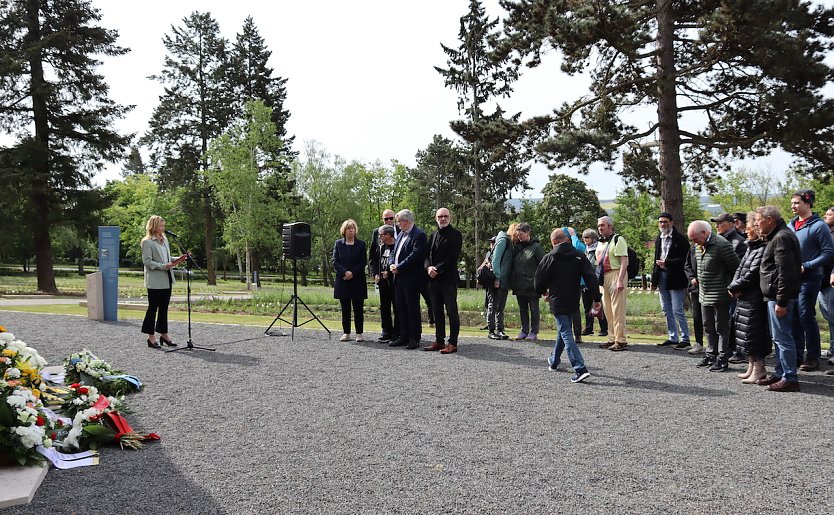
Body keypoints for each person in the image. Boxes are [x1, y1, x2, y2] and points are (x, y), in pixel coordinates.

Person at [534, 228, 602, 383]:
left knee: (566, 333)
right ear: (567, 240)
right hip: (573, 298)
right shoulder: (579, 255)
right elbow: (591, 278)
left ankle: (580, 368)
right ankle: (554, 360)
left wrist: (544, 292)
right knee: (563, 331)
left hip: (557, 300)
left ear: (554, 242)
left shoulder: (549, 257)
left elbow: (538, 281)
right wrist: (596, 299)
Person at [755, 206, 802, 392]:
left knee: (783, 337)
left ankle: (790, 377)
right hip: (774, 295)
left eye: (759, 220)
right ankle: (781, 372)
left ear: (769, 220)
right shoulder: (778, 235)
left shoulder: (781, 237)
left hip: (779, 297)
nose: (757, 223)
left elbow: (786, 272)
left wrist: (782, 300)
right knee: (778, 337)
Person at [788, 189, 834, 371]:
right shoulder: (791, 225)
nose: (793, 206)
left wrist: (806, 266)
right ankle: (797, 355)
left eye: (797, 203)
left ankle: (813, 357)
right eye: (792, 203)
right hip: (792, 278)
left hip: (811, 277)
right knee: (794, 317)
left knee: (806, 314)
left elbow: (829, 253)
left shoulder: (819, 226)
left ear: (808, 203)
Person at [687, 220, 740, 371]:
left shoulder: (722, 245)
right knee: (708, 326)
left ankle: (723, 358)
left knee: (721, 327)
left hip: (721, 294)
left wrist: (730, 287)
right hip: (704, 293)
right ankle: (711, 354)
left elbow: (736, 267)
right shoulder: (698, 246)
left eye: (695, 238)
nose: (694, 242)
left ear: (705, 233)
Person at [728, 212, 770, 384]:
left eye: (750, 228)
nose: (746, 232)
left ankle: (759, 368)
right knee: (745, 333)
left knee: (754, 333)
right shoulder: (750, 247)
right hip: (744, 296)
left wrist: (736, 286)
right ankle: (751, 366)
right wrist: (733, 285)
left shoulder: (762, 248)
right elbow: (740, 269)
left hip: (754, 297)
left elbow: (753, 273)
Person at [141, 215, 186, 349]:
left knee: (164, 309)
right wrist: (164, 266)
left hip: (167, 280)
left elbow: (167, 258)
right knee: (152, 309)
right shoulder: (147, 242)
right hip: (155, 281)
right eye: (161, 226)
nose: (163, 228)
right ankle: (151, 337)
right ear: (154, 227)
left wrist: (180, 258)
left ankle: (164, 335)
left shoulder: (164, 240)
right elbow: (147, 262)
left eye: (163, 226)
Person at [423, 207, 463, 354]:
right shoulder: (433, 235)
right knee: (437, 312)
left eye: (445, 216)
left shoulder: (456, 235)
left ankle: (453, 343)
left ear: (450, 218)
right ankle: (439, 341)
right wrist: (428, 268)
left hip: (448, 280)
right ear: (436, 218)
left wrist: (436, 269)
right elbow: (425, 255)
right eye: (440, 216)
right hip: (432, 281)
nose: (443, 219)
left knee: (452, 312)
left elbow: (452, 258)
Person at [652, 212, 691, 349]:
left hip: (675, 277)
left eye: (665, 222)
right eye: (661, 222)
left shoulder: (680, 239)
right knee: (666, 309)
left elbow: (686, 259)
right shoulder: (659, 238)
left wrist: (667, 263)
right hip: (662, 276)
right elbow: (655, 258)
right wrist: (654, 279)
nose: (663, 224)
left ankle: (685, 338)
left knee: (677, 309)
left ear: (671, 222)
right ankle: (673, 337)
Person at [389, 209, 427, 349]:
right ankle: (403, 336)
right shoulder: (400, 234)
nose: (397, 225)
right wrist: (392, 264)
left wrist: (399, 267)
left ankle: (414, 337)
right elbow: (394, 252)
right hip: (398, 278)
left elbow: (415, 256)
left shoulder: (419, 235)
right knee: (401, 309)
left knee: (412, 309)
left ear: (406, 221)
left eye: (399, 222)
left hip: (411, 279)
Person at [596, 216, 629, 351]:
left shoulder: (618, 239)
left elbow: (624, 261)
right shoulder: (600, 243)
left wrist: (620, 280)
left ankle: (620, 340)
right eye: (598, 226)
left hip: (615, 274)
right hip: (604, 277)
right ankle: (612, 338)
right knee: (608, 310)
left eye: (602, 225)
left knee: (617, 309)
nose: (600, 228)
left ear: (610, 226)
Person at [333, 219, 368, 342]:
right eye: (348, 228)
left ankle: (359, 333)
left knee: (358, 308)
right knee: (345, 308)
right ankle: (346, 333)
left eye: (353, 228)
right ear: (344, 230)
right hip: (343, 280)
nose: (351, 230)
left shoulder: (361, 244)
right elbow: (335, 261)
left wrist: (352, 273)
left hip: (357, 280)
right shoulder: (338, 244)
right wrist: (344, 272)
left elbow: (363, 261)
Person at [509, 222, 545, 341]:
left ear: (528, 233)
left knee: (534, 309)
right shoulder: (517, 247)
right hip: (519, 285)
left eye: (521, 235)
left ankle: (534, 331)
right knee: (522, 309)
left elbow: (543, 266)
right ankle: (524, 330)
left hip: (532, 285)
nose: (519, 237)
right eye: (518, 235)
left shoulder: (536, 247)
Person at [369, 210, 398, 343]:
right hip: (382, 280)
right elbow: (373, 257)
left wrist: (390, 270)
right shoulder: (378, 238)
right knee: (384, 306)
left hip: (395, 279)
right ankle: (386, 331)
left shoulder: (401, 233)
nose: (388, 221)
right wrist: (375, 272)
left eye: (391, 218)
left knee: (397, 306)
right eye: (386, 219)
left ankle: (398, 332)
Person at [488, 223, 516, 340]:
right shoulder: (503, 241)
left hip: (504, 279)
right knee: (493, 305)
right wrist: (497, 277)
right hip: (497, 278)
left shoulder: (508, 242)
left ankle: (500, 329)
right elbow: (496, 259)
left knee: (500, 306)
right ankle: (491, 330)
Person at [581, 229, 608, 337]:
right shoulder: (585, 250)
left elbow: (597, 266)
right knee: (586, 307)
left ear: (593, 238)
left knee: (599, 306)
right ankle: (588, 328)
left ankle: (604, 328)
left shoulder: (598, 249)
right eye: (583, 237)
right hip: (585, 282)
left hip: (595, 282)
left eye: (587, 237)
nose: (584, 239)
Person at [818, 206, 834, 367]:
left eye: (829, 214)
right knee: (829, 317)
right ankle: (832, 349)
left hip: (831, 282)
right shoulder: (825, 233)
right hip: (821, 282)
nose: (825, 216)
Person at [684, 243, 705, 354]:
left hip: (708, 288)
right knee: (697, 317)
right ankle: (699, 343)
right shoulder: (692, 248)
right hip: (695, 288)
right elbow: (687, 265)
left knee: (711, 318)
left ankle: (715, 345)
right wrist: (691, 278)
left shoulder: (711, 246)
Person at [478, 237, 497, 331]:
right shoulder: (488, 253)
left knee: (494, 304)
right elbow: (484, 263)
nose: (492, 244)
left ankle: (495, 324)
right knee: (487, 303)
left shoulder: (497, 253)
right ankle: (489, 322)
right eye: (491, 243)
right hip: (487, 281)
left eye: (493, 242)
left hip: (494, 280)